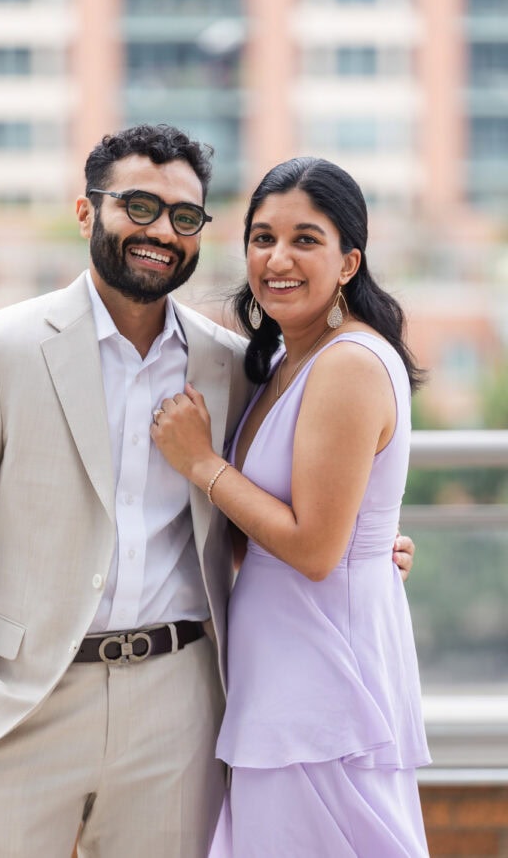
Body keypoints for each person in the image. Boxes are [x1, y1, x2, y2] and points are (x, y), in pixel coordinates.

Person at [0, 125, 415, 858]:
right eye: (137, 206)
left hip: (180, 708)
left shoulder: (233, 366)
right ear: (88, 213)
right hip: (18, 707)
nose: (160, 232)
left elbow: (290, 503)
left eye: (183, 217)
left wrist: (369, 546)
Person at [151, 156, 430, 857]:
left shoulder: (347, 364)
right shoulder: (284, 361)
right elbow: (274, 535)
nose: (277, 257)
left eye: (306, 239)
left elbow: (310, 550)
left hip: (320, 674)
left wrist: (202, 463)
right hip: (282, 661)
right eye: (261, 237)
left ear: (347, 262)